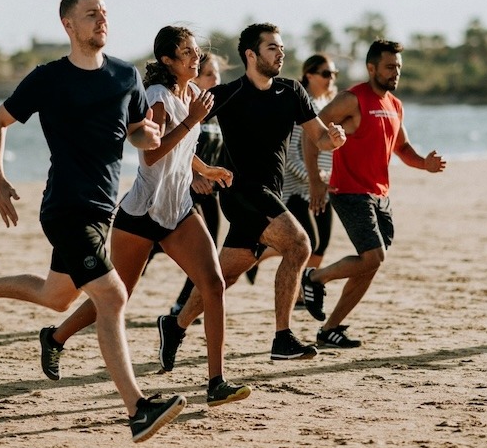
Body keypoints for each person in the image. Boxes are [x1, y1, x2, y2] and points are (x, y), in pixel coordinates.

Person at [0, 0, 186, 443]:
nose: (102, 19)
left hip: (102, 209)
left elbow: (138, 131)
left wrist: (149, 138)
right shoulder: (48, 78)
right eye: (92, 13)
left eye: (105, 12)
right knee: (113, 297)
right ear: (68, 24)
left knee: (56, 297)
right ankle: (138, 408)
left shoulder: (125, 76)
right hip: (64, 208)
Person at [37, 27, 251, 408]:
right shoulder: (157, 98)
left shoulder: (192, 96)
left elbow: (181, 151)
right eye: (186, 53)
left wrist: (205, 170)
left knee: (213, 283)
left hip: (178, 211)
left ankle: (216, 382)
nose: (195, 57)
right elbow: (151, 154)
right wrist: (191, 121)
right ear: (168, 61)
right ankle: (55, 337)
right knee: (118, 295)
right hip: (140, 214)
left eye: (196, 51)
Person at [157, 22, 347, 368]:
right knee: (299, 244)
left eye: (281, 47)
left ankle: (175, 324)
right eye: (272, 48)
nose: (281, 53)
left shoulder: (291, 92)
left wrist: (333, 138)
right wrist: (196, 173)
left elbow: (318, 137)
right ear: (251, 54)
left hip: (269, 192)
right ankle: (282, 337)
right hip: (241, 191)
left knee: (224, 276)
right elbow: (180, 132)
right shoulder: (228, 93)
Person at [300, 39, 446, 348]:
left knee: (371, 263)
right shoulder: (351, 99)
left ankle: (330, 329)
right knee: (373, 256)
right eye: (389, 67)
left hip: (380, 195)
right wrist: (314, 180)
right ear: (371, 68)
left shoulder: (395, 104)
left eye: (399, 68)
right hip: (349, 191)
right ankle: (315, 278)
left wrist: (424, 164)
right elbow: (310, 133)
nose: (395, 73)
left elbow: (402, 148)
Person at [258, 54, 340, 312]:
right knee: (308, 242)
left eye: (334, 74)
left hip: (322, 186)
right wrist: (313, 178)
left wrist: (328, 179)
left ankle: (305, 291)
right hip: (297, 189)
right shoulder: (302, 107)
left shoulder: (328, 106)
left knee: (322, 242)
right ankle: (261, 253)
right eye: (326, 73)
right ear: (309, 75)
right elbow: (292, 155)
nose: (331, 79)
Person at [167, 50, 228, 316]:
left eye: (218, 74)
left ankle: (182, 302)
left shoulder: (217, 112)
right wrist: (194, 176)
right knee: (193, 252)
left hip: (209, 194)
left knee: (208, 251)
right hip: (184, 192)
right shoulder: (188, 110)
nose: (216, 80)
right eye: (209, 74)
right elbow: (172, 147)